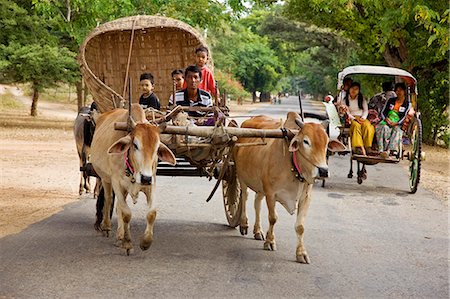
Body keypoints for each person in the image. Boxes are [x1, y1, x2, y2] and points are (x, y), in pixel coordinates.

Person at [375, 82, 411, 158]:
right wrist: (387, 119)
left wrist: (396, 123)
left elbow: (405, 116)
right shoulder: (390, 100)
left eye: (401, 90)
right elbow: (383, 112)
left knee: (397, 130)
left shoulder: (407, 104)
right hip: (387, 120)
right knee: (382, 127)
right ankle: (381, 150)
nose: (399, 92)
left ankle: (391, 150)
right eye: (397, 90)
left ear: (404, 91)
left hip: (398, 123)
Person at [339, 82, 375, 155]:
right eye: (352, 88)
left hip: (362, 117)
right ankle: (358, 147)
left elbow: (365, 110)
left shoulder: (362, 99)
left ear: (358, 90)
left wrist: (363, 118)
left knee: (368, 127)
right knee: (356, 126)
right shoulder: (345, 100)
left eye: (356, 89)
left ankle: (368, 147)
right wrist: (354, 118)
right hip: (351, 118)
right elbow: (347, 112)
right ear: (349, 89)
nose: (354, 91)